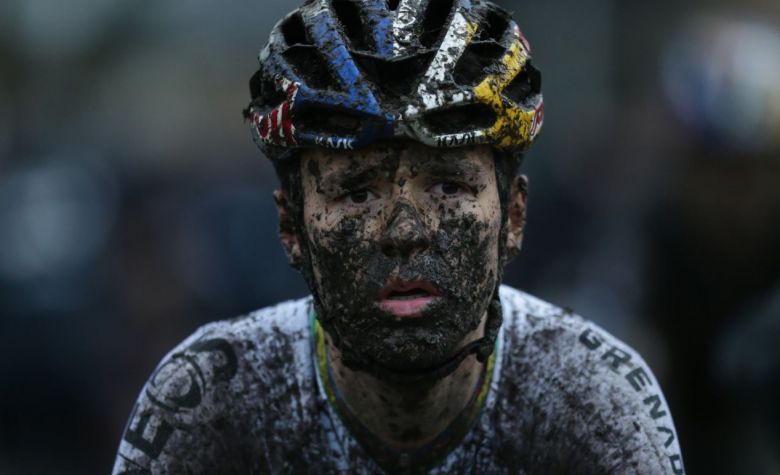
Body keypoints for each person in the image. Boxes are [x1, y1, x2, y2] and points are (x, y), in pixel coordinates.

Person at [112, 0, 684, 473]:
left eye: (449, 186)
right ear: (291, 227)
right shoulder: (210, 403)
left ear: (513, 216)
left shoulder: (594, 404)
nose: (405, 231)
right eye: (357, 192)